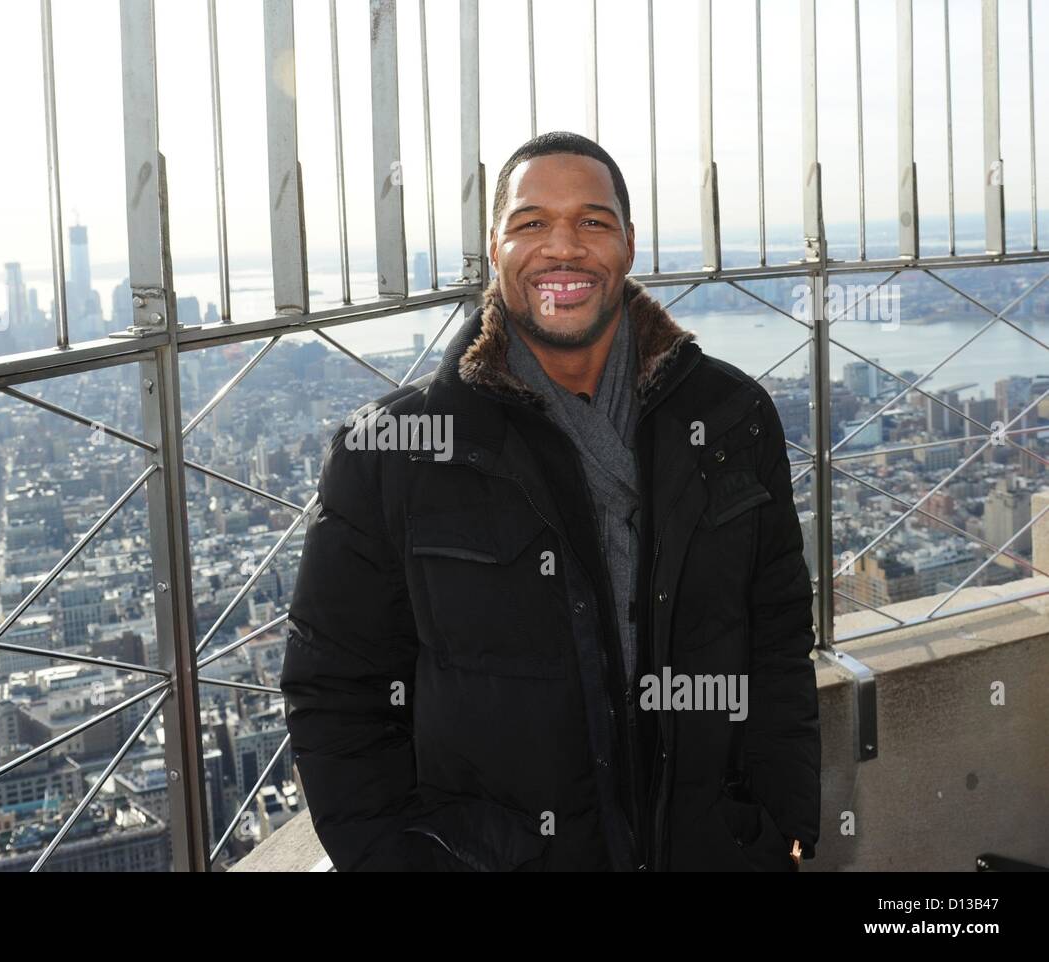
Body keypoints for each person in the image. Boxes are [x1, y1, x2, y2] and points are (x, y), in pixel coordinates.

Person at [280, 131, 820, 871]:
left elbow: (777, 639)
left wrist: (781, 825)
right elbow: (337, 691)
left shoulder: (732, 416)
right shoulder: (393, 451)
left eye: (592, 222)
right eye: (531, 223)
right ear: (494, 249)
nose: (562, 248)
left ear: (629, 245)